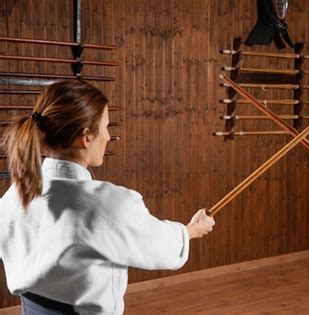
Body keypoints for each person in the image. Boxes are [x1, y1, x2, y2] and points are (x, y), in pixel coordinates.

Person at [0, 80, 215, 314]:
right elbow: (159, 245)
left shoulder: (16, 194)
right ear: (86, 137)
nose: (109, 136)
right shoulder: (107, 205)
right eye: (105, 127)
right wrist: (191, 230)